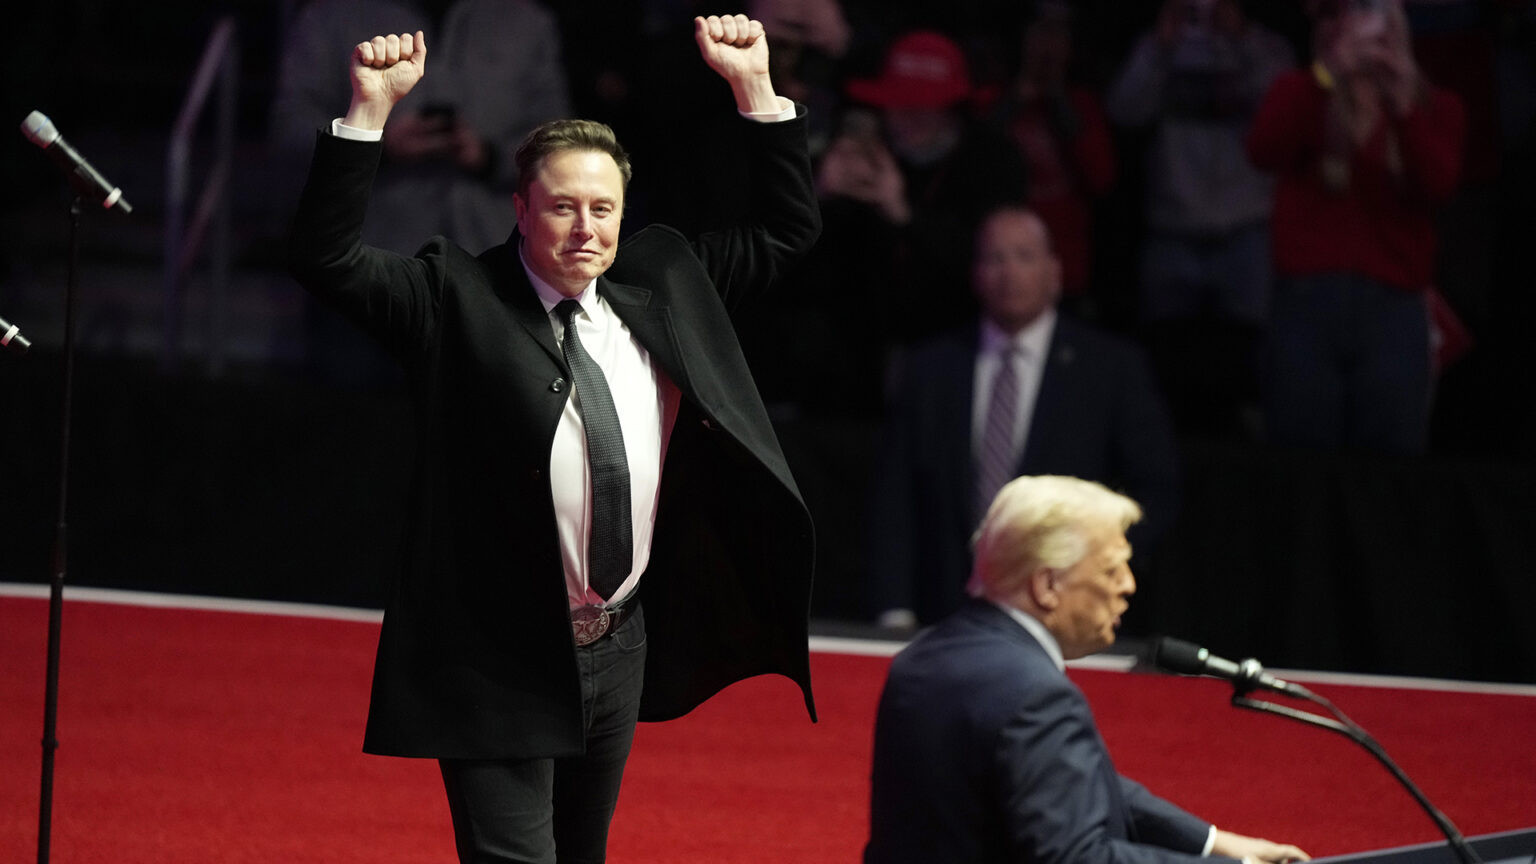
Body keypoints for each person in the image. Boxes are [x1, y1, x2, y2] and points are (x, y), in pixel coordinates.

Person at [286, 15, 820, 863]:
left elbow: (788, 233)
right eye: (563, 207)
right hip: (497, 651)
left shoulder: (664, 287)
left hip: (620, 642)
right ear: (520, 208)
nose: (585, 230)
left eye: (602, 208)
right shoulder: (451, 297)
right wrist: (368, 113)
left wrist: (756, 91)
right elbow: (326, 258)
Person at [864, 474, 1311, 864]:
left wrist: (1214, 843)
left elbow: (1062, 782)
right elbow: (1077, 857)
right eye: (1112, 570)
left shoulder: (920, 660)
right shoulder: (1035, 694)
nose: (1128, 586)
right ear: (1048, 585)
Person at [865, 205, 1178, 629]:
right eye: (995, 258)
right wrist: (894, 608)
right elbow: (895, 498)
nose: (1009, 272)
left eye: (1024, 257)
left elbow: (1155, 489)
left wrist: (1093, 573)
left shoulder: (1109, 369)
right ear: (976, 274)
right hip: (946, 613)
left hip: (1065, 616)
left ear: (1054, 271)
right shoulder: (931, 369)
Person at [1246, 0, 1464, 455]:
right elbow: (1264, 149)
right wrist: (1328, 76)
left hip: (1395, 306)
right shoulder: (1300, 89)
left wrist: (1402, 102)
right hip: (1307, 302)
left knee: (1388, 459)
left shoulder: (1436, 106)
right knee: (1299, 454)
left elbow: (1438, 187)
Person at [1106, 0, 1295, 439]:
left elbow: (1285, 106)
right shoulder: (1159, 46)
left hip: (1245, 229)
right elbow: (1124, 111)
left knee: (1256, 358)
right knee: (1165, 357)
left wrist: (1241, 40)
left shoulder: (1267, 48)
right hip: (1173, 231)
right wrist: (1159, 49)